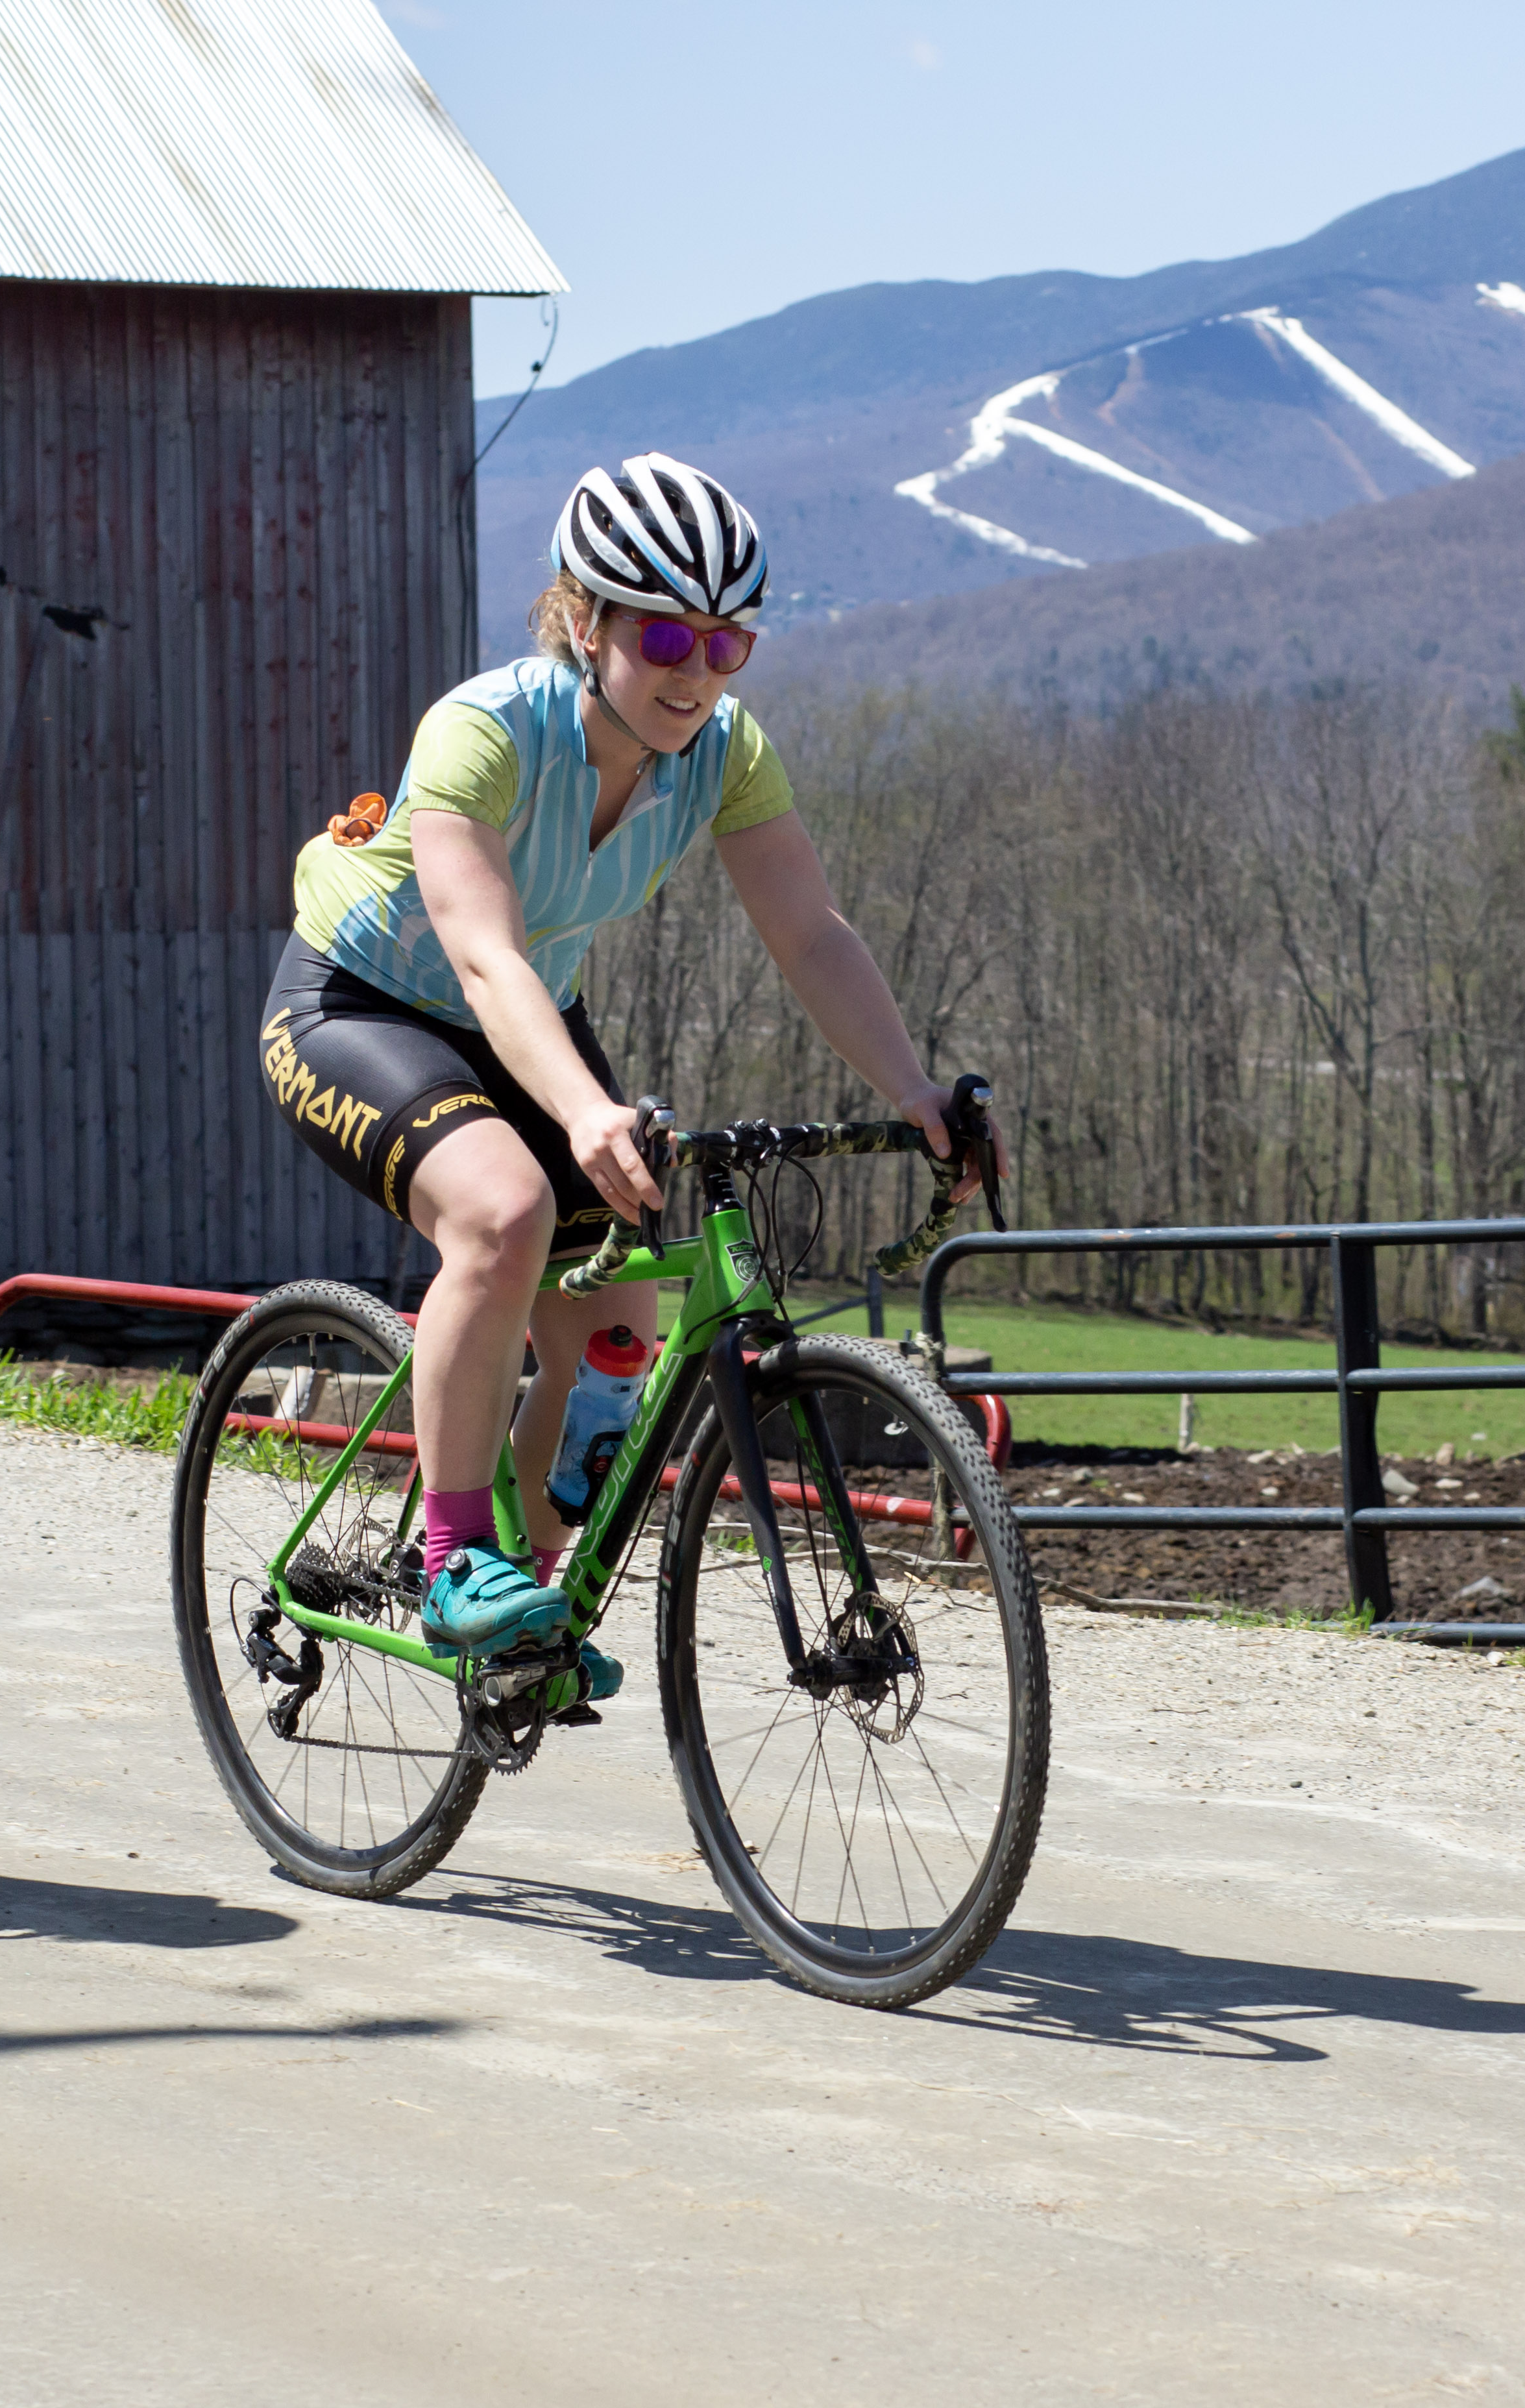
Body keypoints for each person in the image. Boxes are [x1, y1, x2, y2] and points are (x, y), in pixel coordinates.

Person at [265, 452, 994, 1690]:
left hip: (533, 1017)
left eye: (730, 647)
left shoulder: (726, 753)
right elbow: (484, 955)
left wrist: (914, 1093)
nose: (697, 675)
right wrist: (589, 1110)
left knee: (615, 1338)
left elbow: (811, 934)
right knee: (504, 1215)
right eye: (665, 638)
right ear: (582, 619)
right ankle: (452, 1560)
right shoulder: (486, 729)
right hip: (364, 1006)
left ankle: (528, 1617)